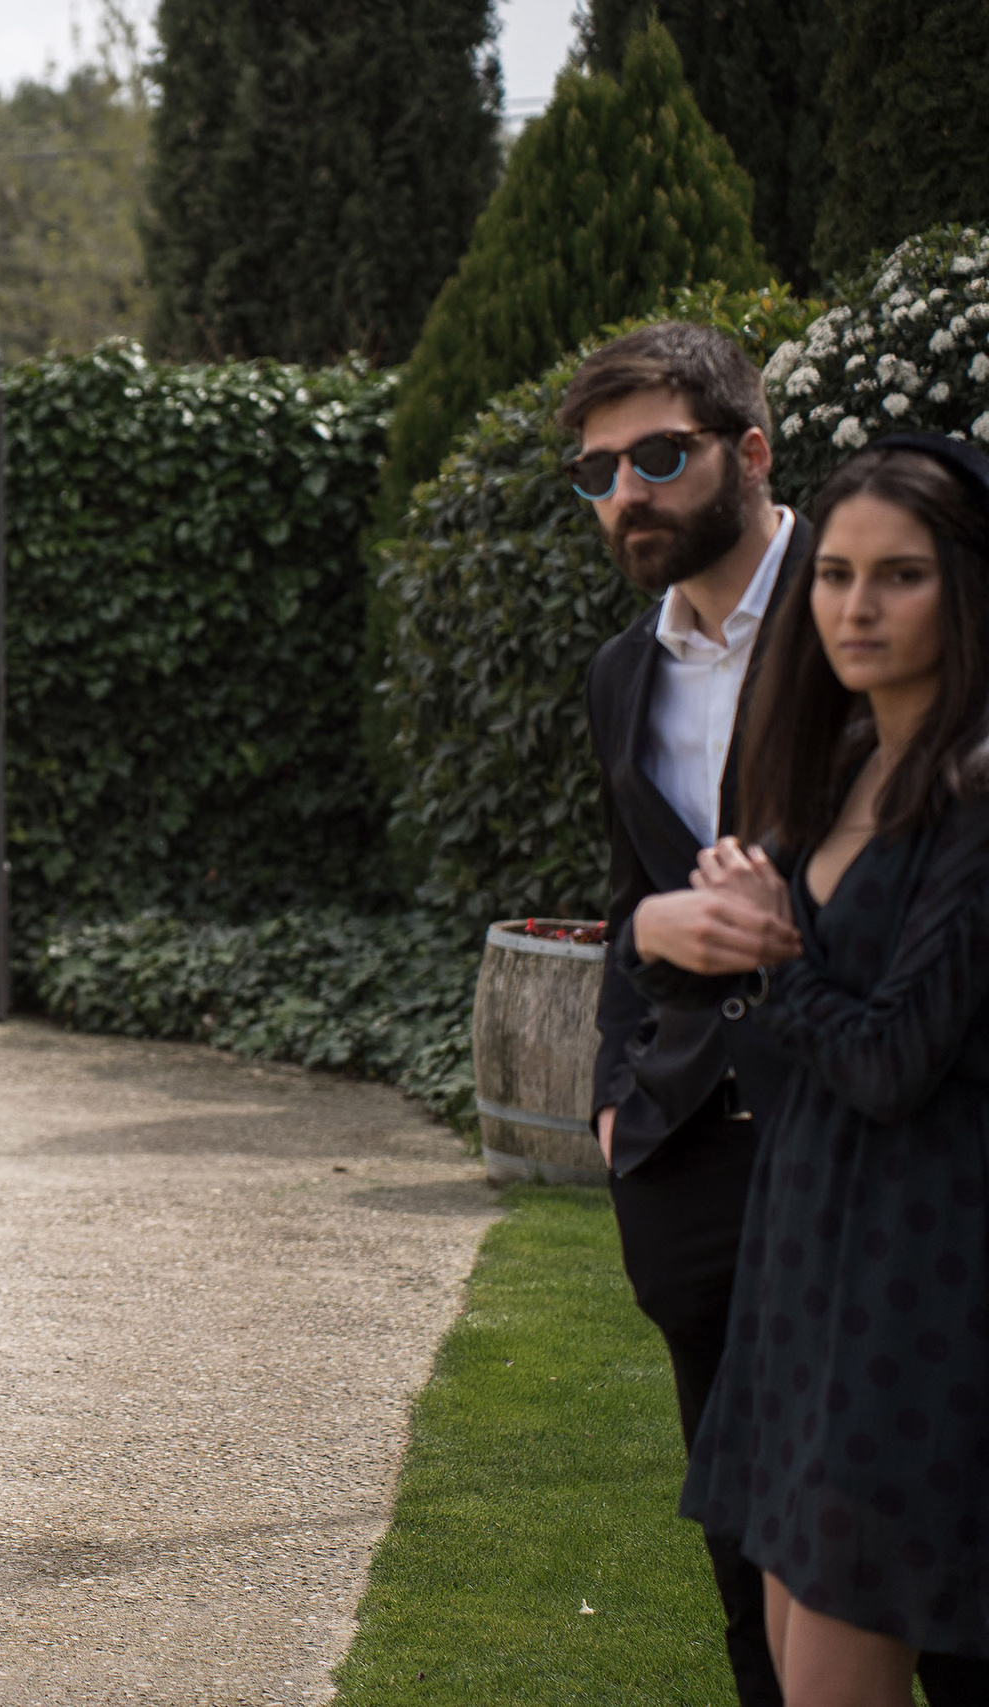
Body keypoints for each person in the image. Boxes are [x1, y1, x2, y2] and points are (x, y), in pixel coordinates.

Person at [630, 435, 989, 1702]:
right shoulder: (846, 766)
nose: (855, 607)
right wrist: (678, 923)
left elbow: (894, 1057)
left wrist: (774, 963)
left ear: (968, 589)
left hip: (916, 1273)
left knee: (840, 1669)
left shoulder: (972, 795)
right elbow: (732, 935)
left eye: (901, 576)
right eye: (834, 574)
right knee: (788, 1664)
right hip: (801, 1254)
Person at [570, 321, 805, 1706]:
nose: (625, 495)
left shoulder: (878, 607)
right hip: (686, 1147)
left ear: (752, 449)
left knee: (929, 1538)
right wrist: (617, 1087)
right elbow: (630, 901)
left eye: (659, 455)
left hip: (869, 1128)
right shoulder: (623, 673)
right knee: (739, 1548)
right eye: (597, 471)